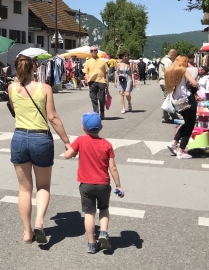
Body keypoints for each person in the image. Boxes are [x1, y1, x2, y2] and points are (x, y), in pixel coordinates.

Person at [8, 55, 70, 245]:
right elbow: (52, 117)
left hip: (18, 137)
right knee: (43, 186)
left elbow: (14, 110)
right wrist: (67, 141)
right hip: (40, 138)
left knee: (24, 189)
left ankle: (27, 232)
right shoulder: (45, 88)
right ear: (34, 68)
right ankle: (39, 222)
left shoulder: (11, 88)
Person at [64, 112, 124, 254]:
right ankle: (103, 232)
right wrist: (118, 185)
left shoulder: (80, 141)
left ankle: (91, 243)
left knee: (89, 214)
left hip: (86, 185)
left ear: (83, 128)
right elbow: (113, 167)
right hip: (103, 184)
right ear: (101, 127)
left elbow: (67, 155)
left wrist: (70, 149)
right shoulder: (107, 145)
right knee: (103, 209)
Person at [165, 56, 199, 159]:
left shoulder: (169, 71)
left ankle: (174, 142)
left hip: (177, 101)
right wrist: (194, 82)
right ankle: (181, 150)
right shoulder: (183, 70)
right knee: (190, 125)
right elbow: (194, 83)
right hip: (187, 99)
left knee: (187, 123)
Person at [84, 46, 110, 120]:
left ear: (97, 51)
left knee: (101, 99)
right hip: (92, 82)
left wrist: (107, 82)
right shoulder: (88, 61)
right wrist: (88, 79)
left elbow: (106, 72)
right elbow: (86, 72)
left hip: (101, 81)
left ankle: (102, 112)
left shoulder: (102, 61)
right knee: (93, 99)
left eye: (95, 50)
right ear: (90, 52)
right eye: (92, 51)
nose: (93, 52)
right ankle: (96, 114)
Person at [158, 49, 178, 123]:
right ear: (173, 55)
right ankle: (166, 117)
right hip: (166, 81)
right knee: (168, 99)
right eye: (175, 56)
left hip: (163, 81)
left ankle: (170, 116)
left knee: (168, 98)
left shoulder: (164, 59)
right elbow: (169, 72)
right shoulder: (168, 61)